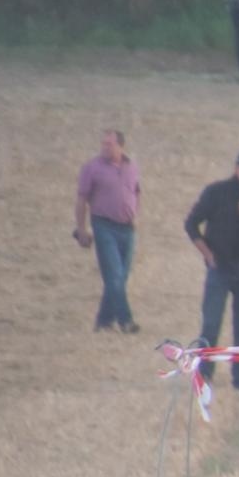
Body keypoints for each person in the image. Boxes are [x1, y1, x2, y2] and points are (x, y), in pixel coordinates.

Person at [184, 150, 239, 391]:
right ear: (238, 168)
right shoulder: (217, 192)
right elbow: (191, 224)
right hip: (221, 267)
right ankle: (204, 375)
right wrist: (208, 255)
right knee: (211, 323)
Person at [75, 129, 142, 333]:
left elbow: (136, 192)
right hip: (104, 226)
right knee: (114, 276)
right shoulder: (92, 168)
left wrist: (135, 214)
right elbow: (81, 199)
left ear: (120, 146)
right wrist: (82, 229)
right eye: (103, 144)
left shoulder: (132, 167)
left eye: (109, 144)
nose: (105, 148)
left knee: (120, 278)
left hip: (128, 228)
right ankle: (126, 321)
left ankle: (104, 322)